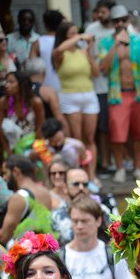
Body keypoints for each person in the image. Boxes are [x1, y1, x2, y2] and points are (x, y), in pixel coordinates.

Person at [99, 5, 140, 185]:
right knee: (117, 134)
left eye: (123, 20)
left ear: (128, 21)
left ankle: (137, 167)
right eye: (116, 21)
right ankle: (120, 167)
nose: (120, 23)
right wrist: (116, 44)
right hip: (118, 94)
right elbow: (102, 67)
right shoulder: (106, 42)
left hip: (139, 93)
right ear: (112, 23)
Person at [52, 21, 100, 181]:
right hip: (70, 97)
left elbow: (96, 72)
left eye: (76, 33)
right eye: (71, 34)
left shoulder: (82, 51)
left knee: (89, 138)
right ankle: (78, 175)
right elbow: (60, 49)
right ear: (64, 36)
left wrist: (90, 51)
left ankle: (91, 175)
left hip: (89, 95)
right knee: (77, 139)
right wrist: (79, 36)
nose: (76, 37)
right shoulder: (59, 54)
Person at [83, 0, 116, 174]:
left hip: (119, 87)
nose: (100, 15)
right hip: (100, 86)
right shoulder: (91, 30)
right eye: (99, 12)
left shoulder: (121, 28)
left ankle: (121, 160)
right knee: (102, 128)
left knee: (116, 127)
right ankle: (105, 161)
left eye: (104, 12)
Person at [0, 156, 54, 244]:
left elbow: (3, 237)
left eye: (5, 173)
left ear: (16, 171)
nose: (4, 178)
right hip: (42, 250)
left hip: (23, 253)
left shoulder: (18, 198)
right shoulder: (45, 193)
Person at [0, 71, 43, 156]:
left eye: (11, 82)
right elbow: (0, 129)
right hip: (12, 146)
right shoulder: (3, 102)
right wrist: (8, 151)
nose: (6, 85)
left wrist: (35, 149)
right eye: (6, 82)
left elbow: (40, 127)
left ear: (21, 84)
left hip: (33, 145)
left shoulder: (36, 102)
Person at [38, 9, 65, 92]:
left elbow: (32, 67)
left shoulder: (38, 43)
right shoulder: (67, 41)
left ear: (45, 24)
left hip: (46, 85)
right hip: (67, 85)